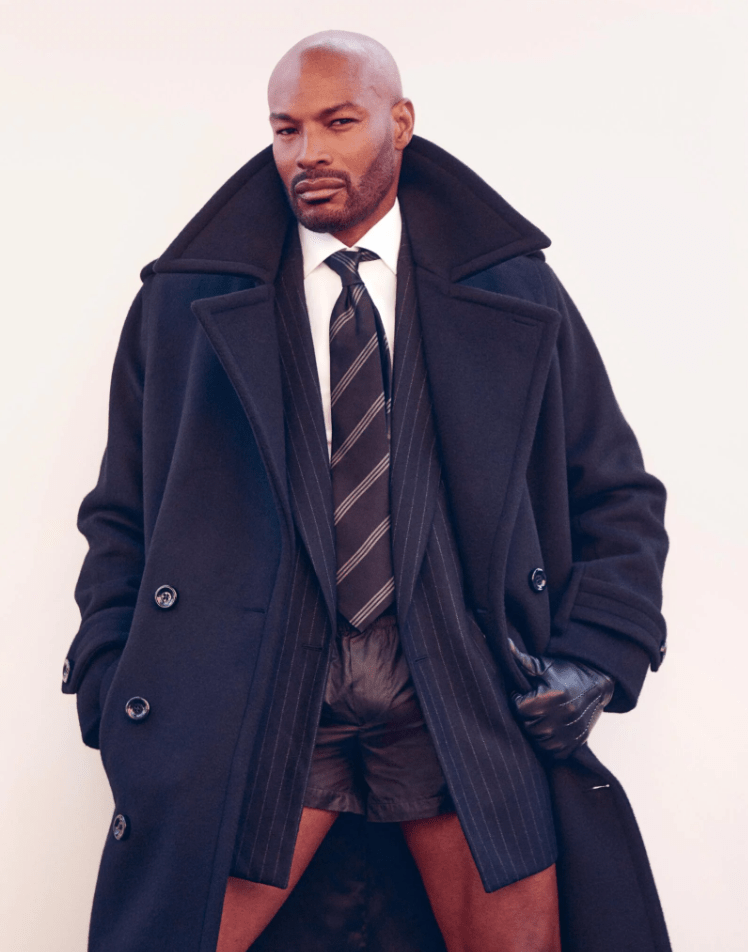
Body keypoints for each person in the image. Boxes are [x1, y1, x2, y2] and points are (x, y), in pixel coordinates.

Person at [62, 30, 670, 952]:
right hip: (266, 689)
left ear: (401, 122)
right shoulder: (183, 304)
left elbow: (617, 495)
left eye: (338, 122)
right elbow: (120, 514)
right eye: (286, 129)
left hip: (457, 686)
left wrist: (601, 656)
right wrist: (112, 679)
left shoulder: (513, 290)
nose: (307, 152)